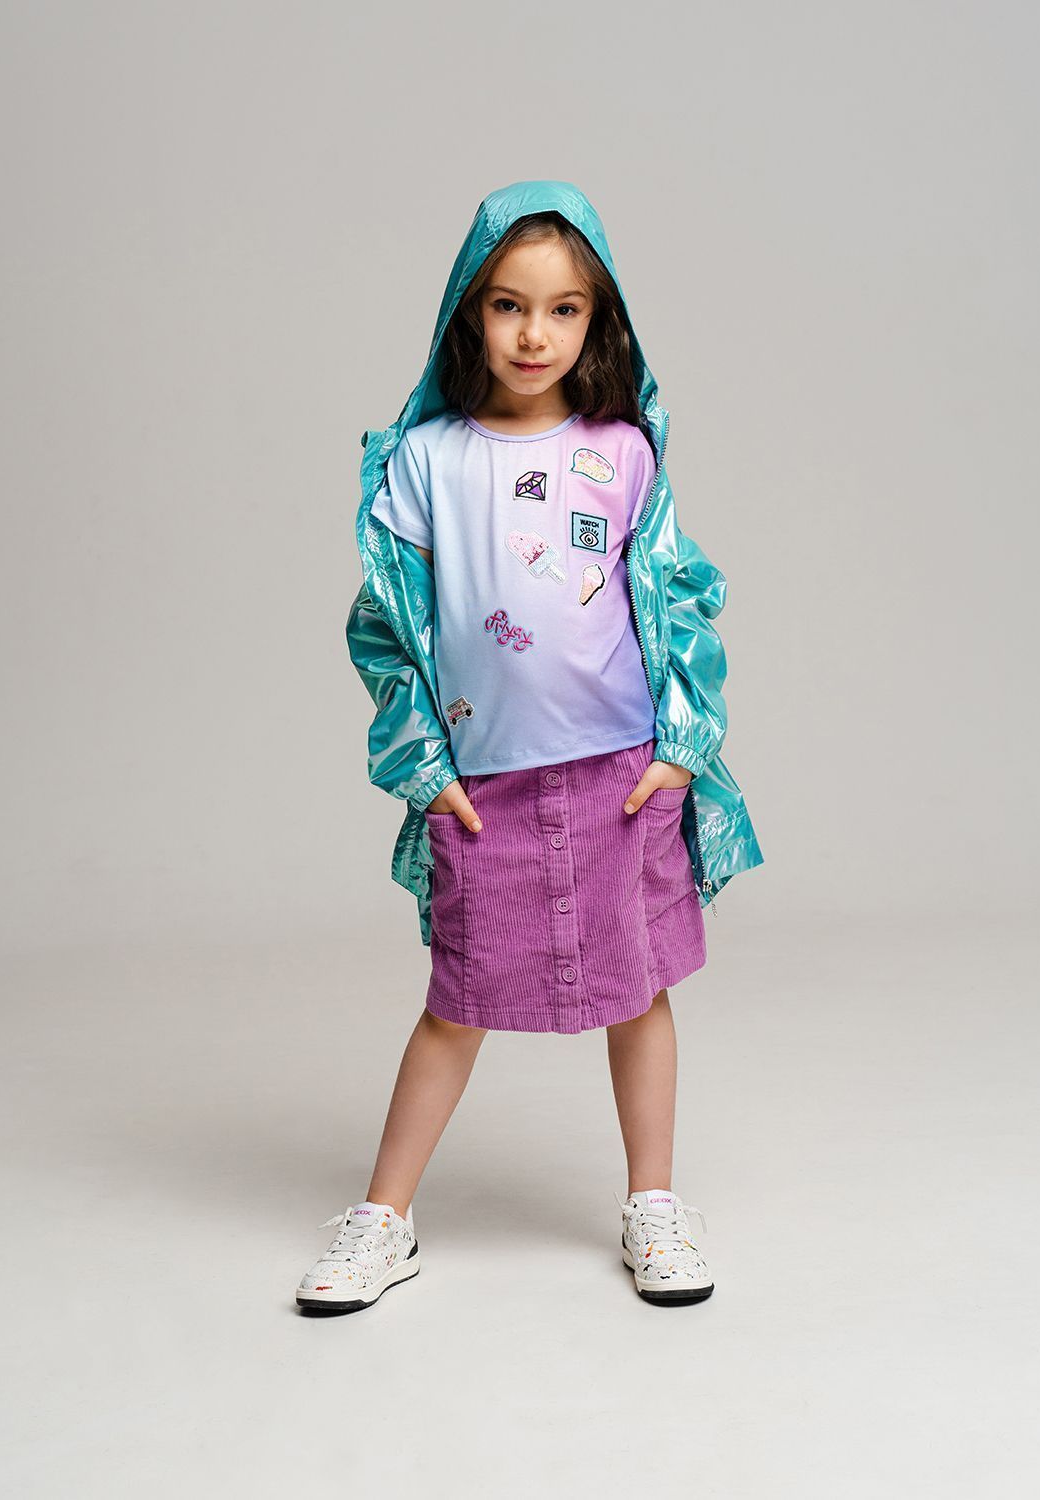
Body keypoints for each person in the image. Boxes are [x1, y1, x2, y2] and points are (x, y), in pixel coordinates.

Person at [296, 180, 764, 1316]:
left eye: (564, 310)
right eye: (508, 305)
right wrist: (423, 769)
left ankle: (654, 1203)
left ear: (598, 321)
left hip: (621, 775)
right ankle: (384, 1216)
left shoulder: (624, 453)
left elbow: (676, 600)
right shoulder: (425, 462)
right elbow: (385, 630)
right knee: (456, 1003)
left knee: (639, 990)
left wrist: (681, 747)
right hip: (484, 786)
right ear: (470, 311)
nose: (533, 334)